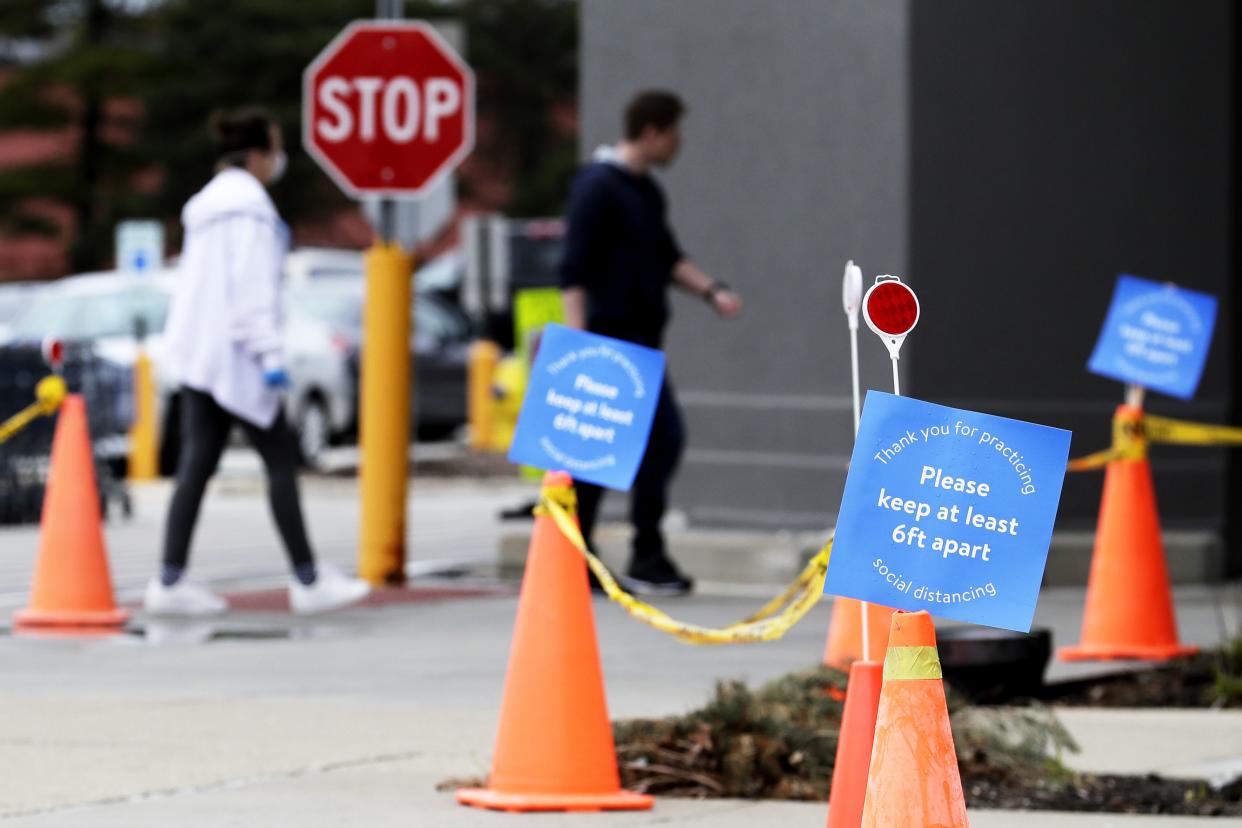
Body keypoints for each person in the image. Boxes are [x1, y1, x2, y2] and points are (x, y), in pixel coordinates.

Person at [144, 107, 370, 616]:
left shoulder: (203, 211)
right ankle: (308, 580)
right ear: (258, 156)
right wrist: (269, 355)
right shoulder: (252, 214)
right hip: (241, 356)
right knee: (280, 461)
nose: (278, 160)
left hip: (201, 355)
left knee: (196, 463)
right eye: (274, 149)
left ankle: (169, 578)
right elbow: (252, 293)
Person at [559, 90, 743, 596]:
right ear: (653, 132)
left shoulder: (645, 192)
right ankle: (610, 553)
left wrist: (712, 290)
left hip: (642, 341)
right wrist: (579, 347)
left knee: (644, 446)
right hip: (607, 341)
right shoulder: (597, 187)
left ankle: (613, 553)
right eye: (674, 133)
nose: (678, 144)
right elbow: (572, 269)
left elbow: (667, 259)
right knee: (622, 447)